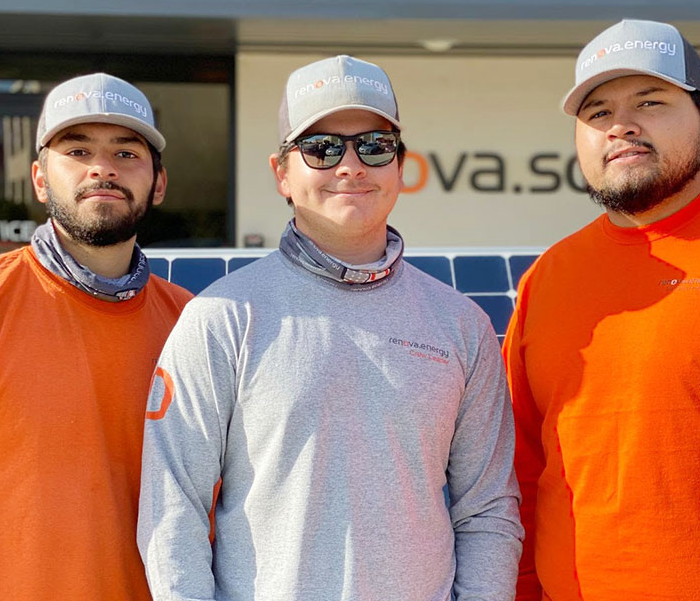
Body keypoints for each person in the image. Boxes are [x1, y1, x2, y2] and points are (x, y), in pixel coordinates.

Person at [138, 55, 523, 600]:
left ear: (399, 166)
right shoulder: (221, 317)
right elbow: (171, 506)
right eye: (321, 148)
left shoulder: (462, 325)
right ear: (282, 174)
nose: (350, 166)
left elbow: (487, 510)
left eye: (374, 145)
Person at [503, 19, 700, 600]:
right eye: (598, 113)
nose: (621, 125)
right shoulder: (548, 278)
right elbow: (520, 469)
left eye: (650, 102)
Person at [0, 73, 192, 600]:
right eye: (78, 149)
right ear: (39, 179)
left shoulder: (195, 325)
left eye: (127, 153)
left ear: (159, 182)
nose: (102, 167)